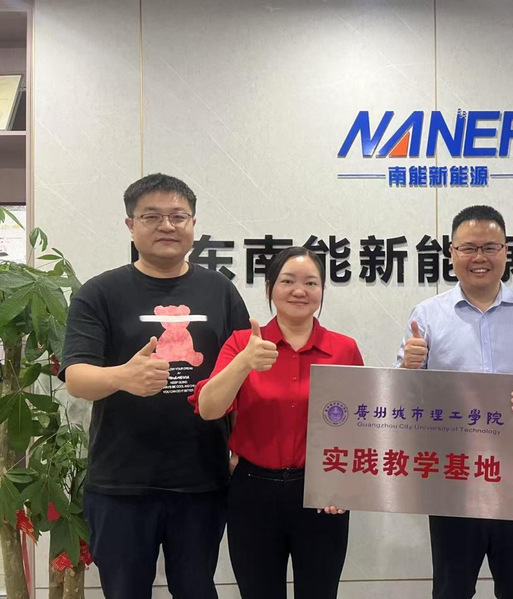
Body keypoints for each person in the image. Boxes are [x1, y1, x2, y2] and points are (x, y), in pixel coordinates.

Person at [60, 173, 250, 599]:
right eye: (152, 216)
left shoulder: (220, 291)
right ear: (131, 225)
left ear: (193, 224)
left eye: (178, 216)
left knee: (197, 589)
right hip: (121, 483)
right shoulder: (100, 292)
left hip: (202, 479)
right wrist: (122, 376)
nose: (167, 226)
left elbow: (242, 375)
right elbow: (76, 378)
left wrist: (241, 445)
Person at [396, 205, 513, 599]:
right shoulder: (427, 315)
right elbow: (402, 399)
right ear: (452, 253)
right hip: (453, 478)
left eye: (490, 247)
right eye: (468, 248)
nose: (479, 257)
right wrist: (410, 366)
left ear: (506, 251)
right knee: (451, 590)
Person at [191, 246, 363, 599]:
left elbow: (359, 425)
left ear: (322, 290)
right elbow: (209, 409)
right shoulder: (243, 343)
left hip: (321, 493)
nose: (299, 290)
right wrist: (243, 363)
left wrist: (343, 484)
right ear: (269, 288)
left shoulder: (343, 349)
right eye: (287, 281)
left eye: (311, 283)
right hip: (253, 491)